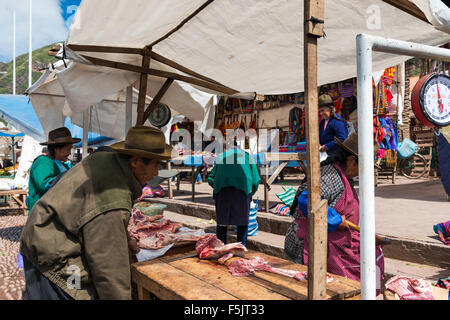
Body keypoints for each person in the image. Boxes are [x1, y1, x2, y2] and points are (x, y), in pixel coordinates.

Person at [19, 126, 172, 300]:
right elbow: (110, 270)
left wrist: (123, 239)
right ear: (135, 161)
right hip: (52, 253)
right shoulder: (112, 193)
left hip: (47, 236)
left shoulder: (107, 161)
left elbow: (95, 220)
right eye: (155, 164)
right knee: (74, 289)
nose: (157, 172)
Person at [284, 133, 385, 293]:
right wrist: (335, 220)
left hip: (331, 245)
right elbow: (307, 200)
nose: (363, 172)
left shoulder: (342, 175)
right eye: (363, 166)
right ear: (351, 161)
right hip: (307, 245)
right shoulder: (329, 176)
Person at [207, 145, 260, 246]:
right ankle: (241, 247)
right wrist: (250, 193)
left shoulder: (221, 157)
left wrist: (218, 187)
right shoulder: (247, 157)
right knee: (242, 222)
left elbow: (210, 179)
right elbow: (256, 181)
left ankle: (221, 247)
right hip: (242, 192)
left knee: (222, 222)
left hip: (222, 192)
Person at [27, 127, 80, 212]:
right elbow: (45, 185)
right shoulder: (43, 162)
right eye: (67, 149)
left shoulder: (62, 164)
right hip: (42, 215)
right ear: (56, 149)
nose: (70, 153)